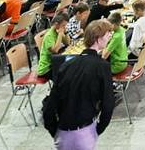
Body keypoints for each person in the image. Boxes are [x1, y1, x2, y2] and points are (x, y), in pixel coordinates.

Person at [42, 19, 116, 149]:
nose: (109, 37)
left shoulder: (66, 65)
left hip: (63, 131)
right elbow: (108, 104)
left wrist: (55, 131)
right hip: (84, 130)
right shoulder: (102, 67)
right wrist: (99, 129)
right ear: (98, 39)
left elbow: (50, 104)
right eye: (107, 35)